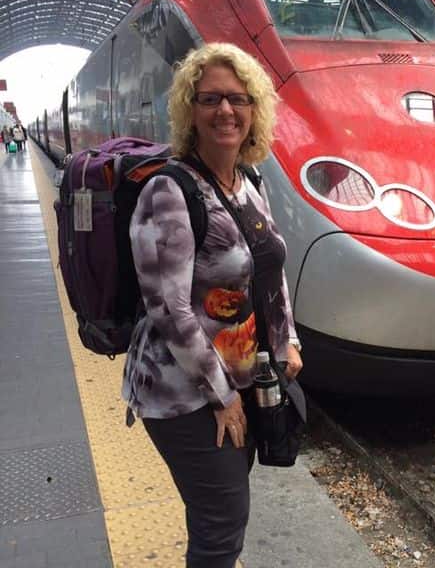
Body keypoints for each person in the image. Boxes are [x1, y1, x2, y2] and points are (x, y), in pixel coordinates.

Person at [123, 42, 303, 568]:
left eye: (237, 98)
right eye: (210, 100)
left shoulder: (249, 183)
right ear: (190, 111)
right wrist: (223, 396)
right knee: (222, 526)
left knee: (214, 516)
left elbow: (271, 270)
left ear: (254, 109)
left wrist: (288, 337)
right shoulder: (169, 190)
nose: (225, 111)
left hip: (241, 377)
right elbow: (169, 310)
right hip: (185, 392)